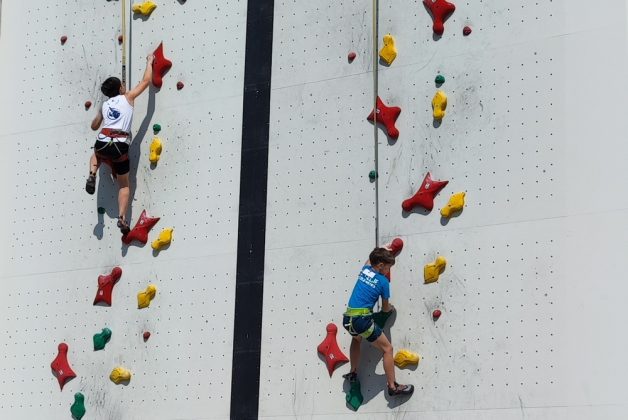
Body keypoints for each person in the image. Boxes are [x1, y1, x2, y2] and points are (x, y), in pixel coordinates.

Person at [85, 54, 154, 234]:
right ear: (121, 88)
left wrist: (101, 112)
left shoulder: (105, 105)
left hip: (103, 139)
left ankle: (92, 174)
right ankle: (122, 218)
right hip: (120, 145)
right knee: (124, 185)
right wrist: (149, 61)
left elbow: (94, 126)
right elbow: (146, 81)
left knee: (96, 153)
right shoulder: (128, 97)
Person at [342, 247, 414, 396]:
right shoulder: (383, 282)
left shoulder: (365, 270)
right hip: (362, 321)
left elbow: (369, 260)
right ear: (381, 265)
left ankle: (353, 372)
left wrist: (384, 249)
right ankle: (393, 387)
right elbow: (385, 308)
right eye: (388, 267)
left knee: (356, 339)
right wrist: (390, 308)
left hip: (348, 319)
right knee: (388, 349)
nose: (388, 271)